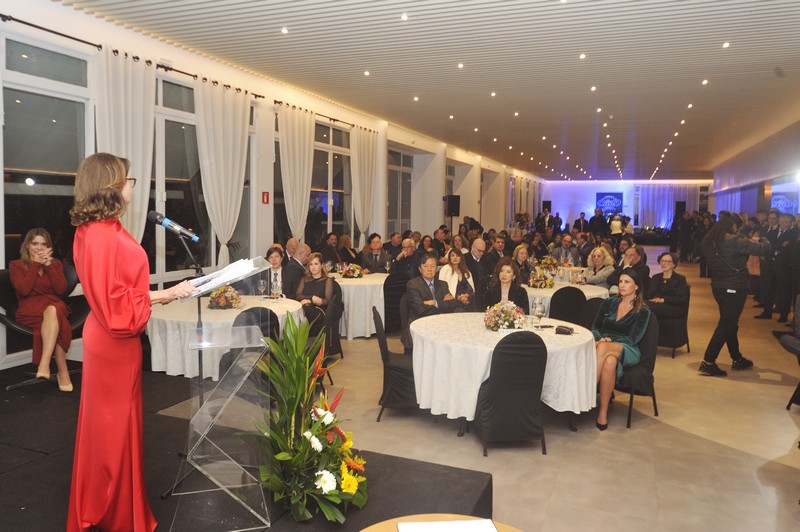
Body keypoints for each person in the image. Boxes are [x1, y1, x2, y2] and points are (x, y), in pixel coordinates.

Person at [67, 153, 199, 531]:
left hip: (110, 337)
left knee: (113, 431)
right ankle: (112, 512)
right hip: (112, 341)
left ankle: (115, 508)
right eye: (128, 180)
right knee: (112, 432)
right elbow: (117, 306)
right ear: (110, 185)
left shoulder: (101, 228)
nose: (132, 186)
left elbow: (119, 293)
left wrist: (161, 296)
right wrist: (166, 293)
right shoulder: (101, 235)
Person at [700, 213, 771, 376]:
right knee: (727, 324)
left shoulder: (710, 241)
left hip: (718, 287)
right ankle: (708, 361)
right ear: (734, 226)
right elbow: (765, 249)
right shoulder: (736, 241)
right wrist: (763, 238)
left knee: (729, 322)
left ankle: (737, 358)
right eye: (739, 227)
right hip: (734, 287)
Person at [10, 228, 73, 391]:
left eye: (43, 244)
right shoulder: (16, 265)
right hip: (30, 310)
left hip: (54, 305)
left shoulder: (55, 264)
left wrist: (48, 265)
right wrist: (36, 264)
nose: (39, 247)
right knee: (59, 321)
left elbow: (61, 290)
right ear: (27, 245)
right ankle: (63, 371)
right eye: (35, 243)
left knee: (54, 310)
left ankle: (44, 364)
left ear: (48, 247)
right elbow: (24, 290)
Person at [591, 269, 651, 430]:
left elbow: (634, 338)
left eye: (627, 282)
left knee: (602, 348)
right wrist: (601, 337)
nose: (622, 285)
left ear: (636, 286)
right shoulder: (609, 302)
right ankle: (603, 412)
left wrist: (608, 342)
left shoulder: (643, 310)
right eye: (620, 282)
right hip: (604, 345)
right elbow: (595, 327)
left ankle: (587, 393)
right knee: (610, 362)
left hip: (628, 348)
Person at [401, 254, 457, 350]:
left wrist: (435, 303)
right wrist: (442, 305)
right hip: (420, 323)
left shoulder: (443, 284)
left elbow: (452, 304)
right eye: (425, 266)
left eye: (432, 266)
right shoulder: (413, 285)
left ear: (436, 268)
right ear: (420, 269)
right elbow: (420, 310)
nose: (429, 269)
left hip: (440, 324)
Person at [295, 252, 334, 338]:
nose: (313, 267)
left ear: (321, 265)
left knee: (305, 313)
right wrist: (311, 298)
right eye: (311, 264)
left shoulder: (327, 281)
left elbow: (327, 301)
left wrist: (311, 301)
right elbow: (298, 296)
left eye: (316, 264)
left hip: (319, 310)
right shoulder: (304, 279)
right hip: (305, 308)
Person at [646, 252, 688, 321]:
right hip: (655, 305)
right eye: (662, 261)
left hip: (672, 306)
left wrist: (663, 300)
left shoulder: (680, 279)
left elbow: (681, 298)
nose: (664, 263)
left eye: (667, 261)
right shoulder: (655, 277)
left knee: (648, 308)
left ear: (674, 264)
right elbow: (649, 294)